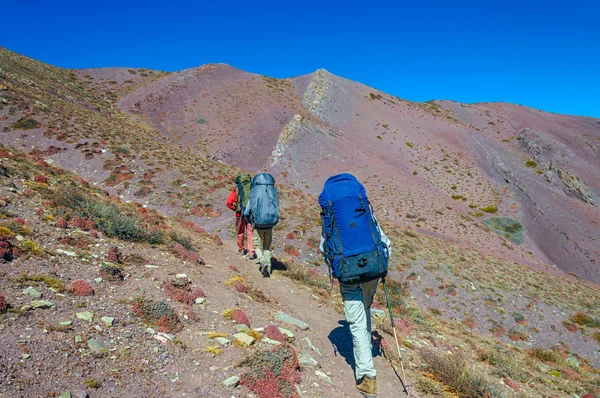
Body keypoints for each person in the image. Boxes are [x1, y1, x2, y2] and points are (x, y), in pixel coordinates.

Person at [319, 174, 391, 398]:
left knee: (358, 323)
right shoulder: (365, 212)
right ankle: (366, 348)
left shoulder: (331, 217)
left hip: (349, 272)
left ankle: (367, 377)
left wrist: (335, 267)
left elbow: (325, 246)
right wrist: (383, 264)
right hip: (372, 268)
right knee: (365, 309)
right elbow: (384, 241)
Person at [243, 173, 279, 277]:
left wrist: (249, 220)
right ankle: (268, 265)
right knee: (267, 246)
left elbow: (246, 212)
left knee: (257, 246)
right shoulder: (272, 191)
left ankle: (262, 261)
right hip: (270, 224)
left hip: (258, 224)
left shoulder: (254, 193)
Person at [226, 174, 256, 259]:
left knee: (240, 232)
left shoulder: (237, 188)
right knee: (250, 232)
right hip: (250, 213)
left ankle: (241, 249)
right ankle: (251, 252)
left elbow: (228, 203)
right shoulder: (252, 187)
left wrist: (236, 208)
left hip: (240, 214)